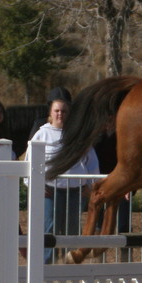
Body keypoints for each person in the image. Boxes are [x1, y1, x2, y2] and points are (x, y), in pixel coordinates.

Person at [31, 89, 99, 263]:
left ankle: (70, 266)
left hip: (75, 191)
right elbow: (30, 162)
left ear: (70, 112)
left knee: (72, 229)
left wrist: (90, 185)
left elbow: (91, 161)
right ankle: (45, 266)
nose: (60, 114)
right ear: (50, 112)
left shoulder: (78, 135)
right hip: (50, 191)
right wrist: (35, 185)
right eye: (57, 110)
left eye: (64, 111)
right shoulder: (41, 134)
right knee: (49, 228)